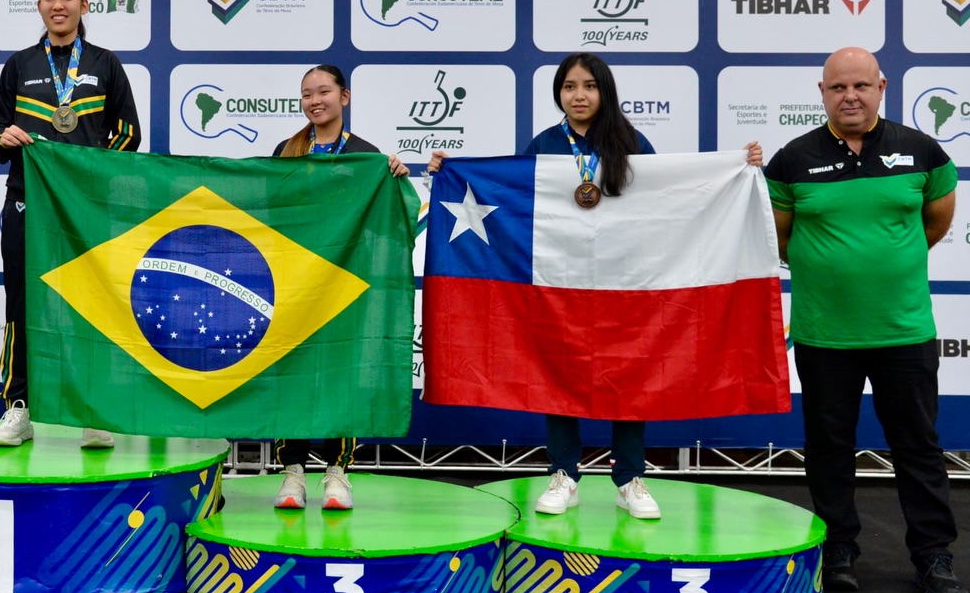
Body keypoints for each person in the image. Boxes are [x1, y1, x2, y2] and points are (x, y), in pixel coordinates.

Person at [428, 52, 761, 519]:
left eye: (589, 86)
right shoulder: (545, 143)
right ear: (558, 93)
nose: (578, 95)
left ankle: (629, 478)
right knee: (557, 374)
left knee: (630, 375)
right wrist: (451, 169)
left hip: (625, 281)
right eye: (569, 86)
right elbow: (509, 195)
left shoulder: (632, 142)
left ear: (604, 91)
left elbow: (671, 199)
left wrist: (738, 167)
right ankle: (564, 474)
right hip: (559, 282)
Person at [765, 46, 967, 593]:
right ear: (822, 93)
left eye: (860, 86)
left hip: (904, 330)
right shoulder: (791, 160)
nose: (849, 96)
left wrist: (884, 262)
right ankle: (838, 549)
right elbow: (780, 237)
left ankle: (934, 557)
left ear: (881, 87)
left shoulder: (923, 151)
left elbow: (935, 222)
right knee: (829, 445)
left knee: (918, 446)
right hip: (824, 333)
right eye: (838, 88)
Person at [0, 0, 141, 450]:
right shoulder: (19, 64)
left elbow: (129, 134)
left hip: (84, 209)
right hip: (26, 202)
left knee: (90, 305)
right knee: (21, 304)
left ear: (84, 5)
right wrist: (6, 137)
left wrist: (87, 173)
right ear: (39, 6)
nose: (58, 5)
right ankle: (19, 407)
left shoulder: (105, 63)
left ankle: (94, 411)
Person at [270, 64, 408, 510]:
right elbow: (271, 216)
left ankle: (337, 472)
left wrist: (397, 177)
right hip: (295, 284)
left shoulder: (367, 156)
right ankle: (292, 471)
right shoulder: (286, 152)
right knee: (293, 374)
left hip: (345, 286)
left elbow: (389, 220)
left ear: (344, 97)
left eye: (324, 91)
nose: (315, 101)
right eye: (307, 94)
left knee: (341, 374)